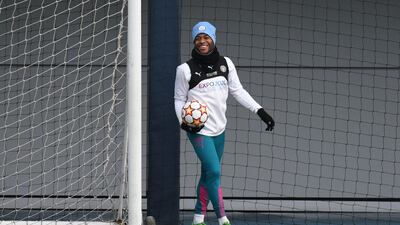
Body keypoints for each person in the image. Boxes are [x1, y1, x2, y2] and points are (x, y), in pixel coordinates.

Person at [174, 21, 275, 225]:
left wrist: (260, 111)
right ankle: (223, 219)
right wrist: (184, 123)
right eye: (198, 38)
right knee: (215, 171)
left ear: (213, 39)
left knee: (207, 173)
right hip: (199, 131)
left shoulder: (226, 64)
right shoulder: (185, 69)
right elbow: (178, 100)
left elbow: (237, 91)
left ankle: (198, 218)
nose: (202, 41)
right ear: (194, 42)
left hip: (220, 129)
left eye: (206, 37)